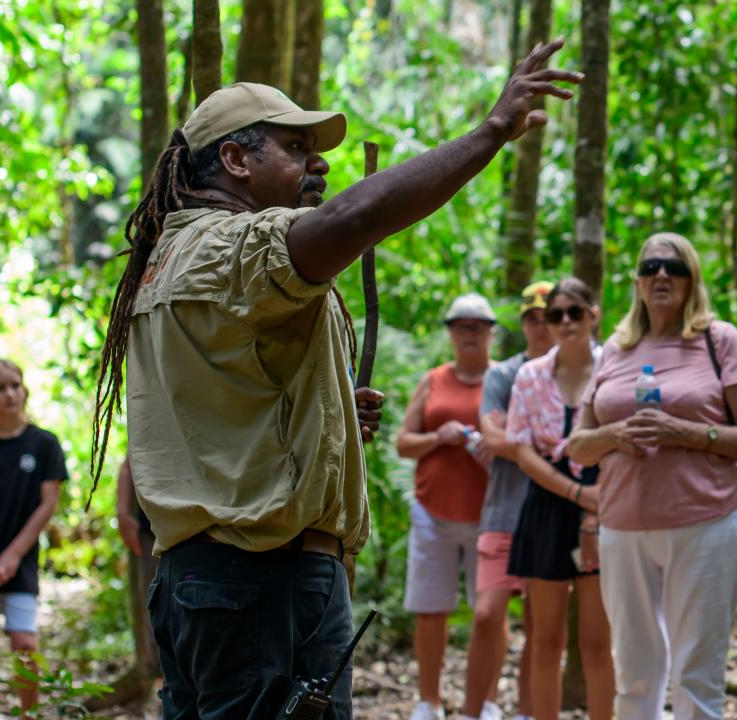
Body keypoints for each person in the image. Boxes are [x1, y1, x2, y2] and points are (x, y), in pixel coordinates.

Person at [88, 39, 581, 718]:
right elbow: (352, 218)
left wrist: (330, 411)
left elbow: (224, 396)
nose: (317, 162)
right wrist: (491, 131)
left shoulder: (168, 258)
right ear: (235, 159)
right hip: (261, 578)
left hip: (204, 578)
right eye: (293, 147)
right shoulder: (235, 246)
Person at [567, 233, 737, 720]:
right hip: (622, 527)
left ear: (691, 279)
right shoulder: (615, 351)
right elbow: (578, 445)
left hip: (706, 524)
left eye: (674, 267)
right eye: (652, 266)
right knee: (635, 674)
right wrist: (616, 434)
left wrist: (683, 431)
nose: (662, 275)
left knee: (696, 675)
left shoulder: (717, 339)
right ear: (638, 282)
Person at [505, 278, 613, 720]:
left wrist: (594, 503)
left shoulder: (614, 367)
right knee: (545, 638)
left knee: (597, 641)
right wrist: (575, 492)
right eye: (556, 315)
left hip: (606, 501)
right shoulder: (530, 375)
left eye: (575, 312)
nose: (566, 322)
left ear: (593, 314)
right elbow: (520, 449)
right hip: (548, 504)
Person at [396, 293, 497, 720]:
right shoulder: (433, 380)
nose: (469, 334)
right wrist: (441, 436)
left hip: (491, 515)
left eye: (477, 326)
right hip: (433, 512)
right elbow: (404, 443)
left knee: (488, 614)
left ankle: (487, 701)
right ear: (451, 333)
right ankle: (429, 701)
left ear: (491, 332)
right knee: (431, 609)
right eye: (461, 326)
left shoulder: (505, 379)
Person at [459, 281, 554, 720]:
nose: (540, 326)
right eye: (532, 318)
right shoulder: (503, 374)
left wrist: (514, 438)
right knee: (486, 615)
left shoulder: (574, 373)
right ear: (523, 323)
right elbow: (491, 436)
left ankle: (528, 712)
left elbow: (508, 438)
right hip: (502, 511)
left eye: (549, 316)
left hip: (552, 514)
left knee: (542, 625)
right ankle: (473, 712)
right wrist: (541, 441)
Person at [0, 358, 66, 713]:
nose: (10, 394)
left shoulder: (44, 443)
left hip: (22, 561)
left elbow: (48, 504)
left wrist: (13, 555)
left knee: (25, 642)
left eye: (15, 385)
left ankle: (28, 713)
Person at [115, 452, 162, 681]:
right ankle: (162, 691)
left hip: (203, 530)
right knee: (156, 611)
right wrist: (123, 514)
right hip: (151, 531)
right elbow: (130, 462)